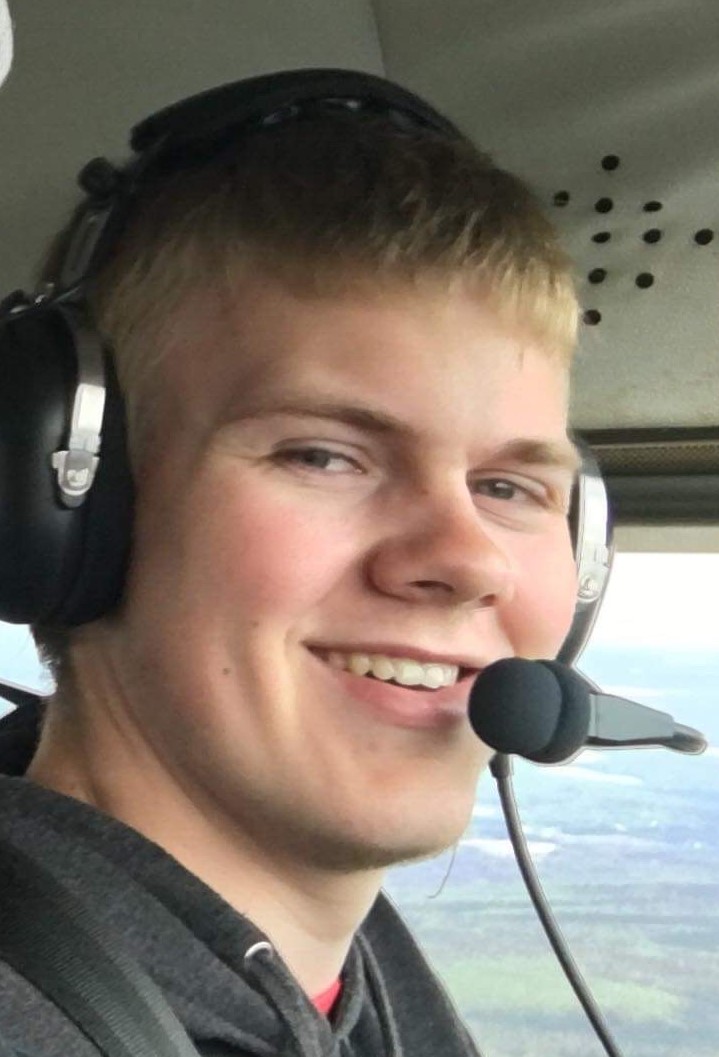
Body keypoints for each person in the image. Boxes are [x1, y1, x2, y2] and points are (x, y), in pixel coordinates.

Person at [0, 68, 581, 1055]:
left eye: (507, 487)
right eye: (323, 454)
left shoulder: (356, 993)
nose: (464, 558)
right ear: (72, 508)